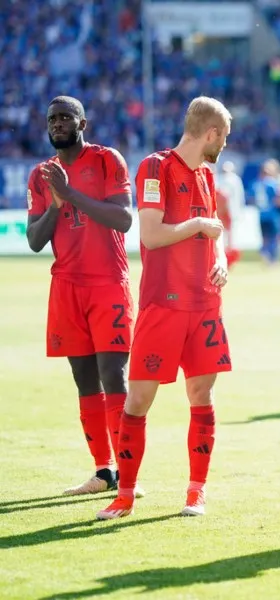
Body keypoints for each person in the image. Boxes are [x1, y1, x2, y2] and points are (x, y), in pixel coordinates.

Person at [97, 97, 233, 520]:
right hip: (164, 304)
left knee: (202, 395)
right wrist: (198, 225)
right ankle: (125, 495)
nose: (224, 145)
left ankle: (196, 492)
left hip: (205, 304)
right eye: (224, 137)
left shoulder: (206, 175)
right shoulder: (155, 168)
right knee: (138, 399)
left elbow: (213, 233)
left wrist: (220, 260)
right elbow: (152, 236)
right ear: (211, 133)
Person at [25, 96, 142, 497]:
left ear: (82, 124)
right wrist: (56, 204)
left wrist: (70, 194)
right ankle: (104, 470)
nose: (57, 124)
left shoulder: (107, 160)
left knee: (113, 374)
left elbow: (123, 219)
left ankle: (128, 471)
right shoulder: (41, 175)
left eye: (64, 117)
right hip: (66, 287)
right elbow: (35, 240)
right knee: (84, 379)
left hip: (108, 282)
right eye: (51, 119)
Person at [216, 160, 244, 269]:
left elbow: (239, 197)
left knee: (232, 237)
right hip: (221, 212)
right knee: (223, 236)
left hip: (232, 211)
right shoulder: (218, 178)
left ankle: (231, 260)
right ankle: (223, 259)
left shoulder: (235, 180)